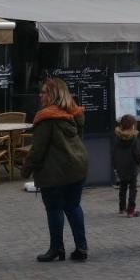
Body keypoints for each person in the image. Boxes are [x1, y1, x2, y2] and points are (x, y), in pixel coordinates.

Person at [22, 77, 89, 263]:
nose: (40, 95)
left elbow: (38, 149)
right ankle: (81, 248)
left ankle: (56, 248)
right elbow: (79, 137)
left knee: (54, 209)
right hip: (78, 166)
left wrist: (26, 169)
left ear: (52, 94)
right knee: (73, 206)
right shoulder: (74, 112)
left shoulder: (46, 117)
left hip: (55, 170)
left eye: (43, 92)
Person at [111, 114, 140, 217]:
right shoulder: (134, 139)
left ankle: (122, 208)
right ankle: (131, 211)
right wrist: (139, 162)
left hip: (120, 167)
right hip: (131, 167)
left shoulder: (117, 138)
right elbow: (138, 154)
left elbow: (113, 153)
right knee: (133, 189)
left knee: (123, 187)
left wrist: (115, 165)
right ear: (132, 126)